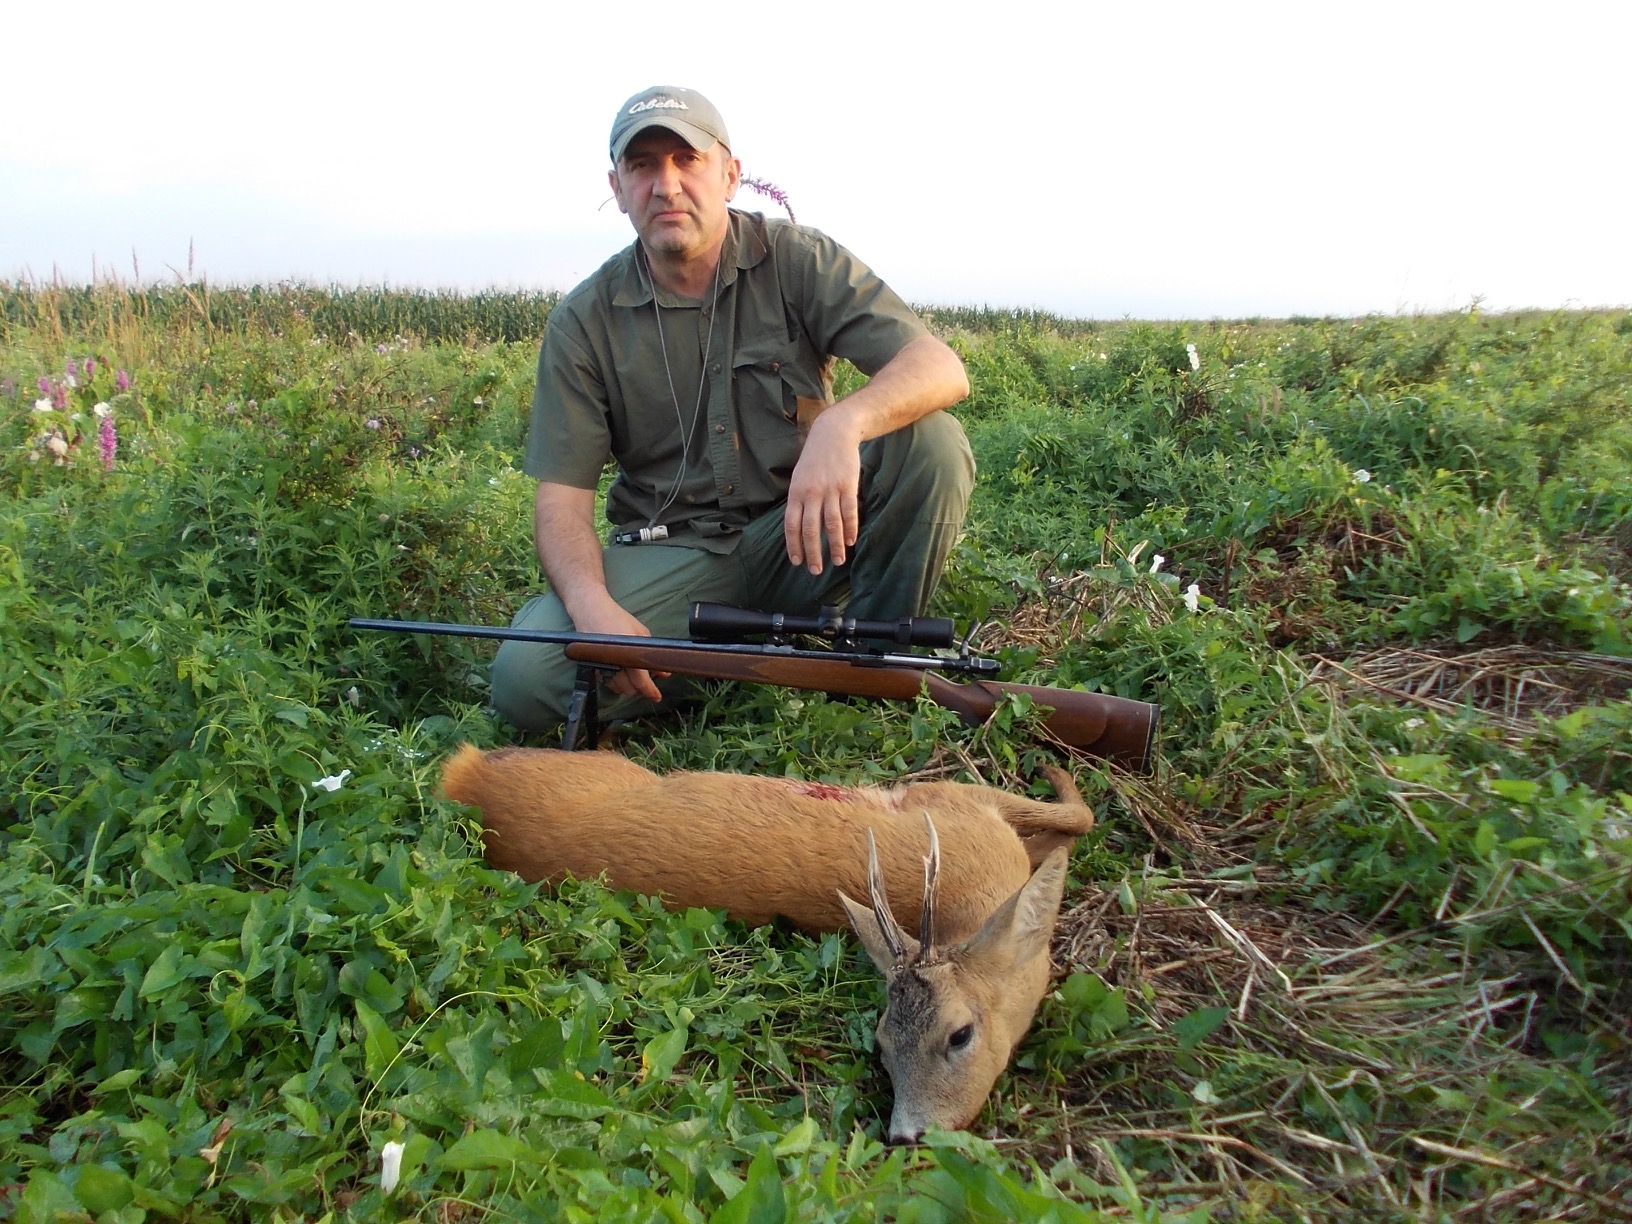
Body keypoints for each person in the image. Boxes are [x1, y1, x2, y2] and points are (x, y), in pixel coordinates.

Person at [490, 85, 974, 731]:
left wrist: (842, 422)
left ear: (730, 175)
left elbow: (937, 366)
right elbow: (561, 504)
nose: (666, 185)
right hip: (678, 557)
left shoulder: (799, 259)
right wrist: (590, 606)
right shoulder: (584, 321)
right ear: (617, 187)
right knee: (527, 680)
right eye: (642, 166)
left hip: (805, 536)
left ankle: (873, 667)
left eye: (687, 160)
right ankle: (746, 656)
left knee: (933, 444)